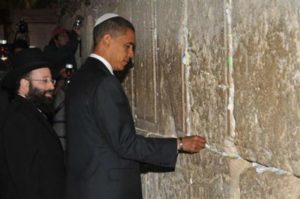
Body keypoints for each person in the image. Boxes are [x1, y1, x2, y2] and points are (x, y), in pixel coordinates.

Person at [65, 13, 206, 199]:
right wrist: (178, 144)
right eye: (128, 46)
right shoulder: (104, 82)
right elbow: (125, 143)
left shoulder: (80, 77)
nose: (131, 55)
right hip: (107, 190)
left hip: (86, 186)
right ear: (107, 39)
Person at [0, 48, 65, 199]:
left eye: (51, 80)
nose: (51, 86)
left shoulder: (32, 113)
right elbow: (24, 180)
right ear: (24, 84)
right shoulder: (18, 119)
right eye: (44, 81)